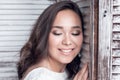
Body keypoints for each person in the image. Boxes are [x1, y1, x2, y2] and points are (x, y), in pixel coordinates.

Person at [17, 1, 88, 80]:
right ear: (44, 35)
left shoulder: (63, 70)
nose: (67, 42)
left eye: (75, 33)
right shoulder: (41, 77)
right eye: (58, 33)